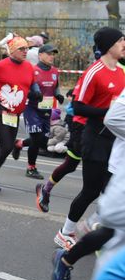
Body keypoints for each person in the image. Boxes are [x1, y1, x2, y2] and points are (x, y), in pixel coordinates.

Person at [53, 27, 125, 251]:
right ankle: (65, 232)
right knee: (91, 190)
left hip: (114, 140)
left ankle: (101, 232)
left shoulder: (121, 71)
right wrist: (108, 111)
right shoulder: (94, 71)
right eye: (121, 40)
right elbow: (78, 106)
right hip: (95, 139)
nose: (124, 44)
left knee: (111, 190)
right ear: (109, 45)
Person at [54, 83, 125, 280]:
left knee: (110, 228)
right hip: (115, 164)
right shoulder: (99, 71)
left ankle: (68, 257)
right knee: (110, 224)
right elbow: (112, 118)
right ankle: (68, 250)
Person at [0, 36, 38, 194]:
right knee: (6, 146)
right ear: (12, 50)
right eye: (21, 49)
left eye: (26, 48)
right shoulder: (0, 65)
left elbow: (33, 82)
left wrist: (36, 92)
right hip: (0, 111)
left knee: (5, 147)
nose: (25, 52)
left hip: (15, 113)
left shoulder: (29, 67)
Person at [11, 44, 64, 180]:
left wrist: (58, 95)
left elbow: (55, 87)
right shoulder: (32, 70)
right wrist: (32, 94)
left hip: (46, 109)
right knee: (35, 138)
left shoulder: (54, 71)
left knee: (43, 141)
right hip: (32, 108)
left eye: (53, 54)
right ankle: (31, 168)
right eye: (49, 53)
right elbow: (23, 89)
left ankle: (19, 144)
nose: (52, 56)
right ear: (40, 55)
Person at [35, 80, 86, 212]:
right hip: (83, 128)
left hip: (107, 133)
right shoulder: (95, 72)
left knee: (98, 182)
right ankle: (46, 190)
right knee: (71, 166)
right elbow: (75, 106)